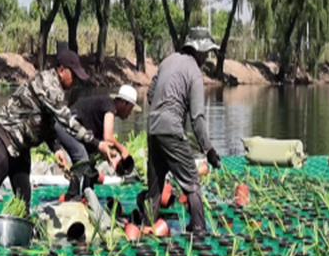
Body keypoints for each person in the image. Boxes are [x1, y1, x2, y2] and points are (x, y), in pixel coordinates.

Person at [0, 49, 113, 241]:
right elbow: (67, 121)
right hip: (6, 139)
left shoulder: (58, 89)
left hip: (22, 146)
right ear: (62, 70)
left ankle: (19, 232)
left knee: (23, 196)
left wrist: (56, 148)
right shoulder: (48, 85)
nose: (76, 81)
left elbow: (48, 123)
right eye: (74, 75)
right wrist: (97, 144)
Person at [145, 27, 221, 236]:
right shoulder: (194, 72)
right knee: (192, 182)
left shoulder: (167, 61)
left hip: (153, 127)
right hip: (171, 129)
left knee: (155, 187)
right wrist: (209, 150)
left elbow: (151, 94)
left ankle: (148, 226)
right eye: (206, 53)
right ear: (198, 51)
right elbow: (197, 118)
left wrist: (162, 112)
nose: (206, 57)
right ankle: (198, 229)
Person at [56, 84, 140, 199]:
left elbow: (101, 144)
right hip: (65, 126)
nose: (130, 114)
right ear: (123, 103)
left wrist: (114, 160)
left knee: (91, 159)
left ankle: (87, 196)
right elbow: (108, 138)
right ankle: (72, 196)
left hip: (77, 131)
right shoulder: (110, 106)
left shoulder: (106, 109)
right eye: (130, 109)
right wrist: (122, 149)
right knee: (81, 156)